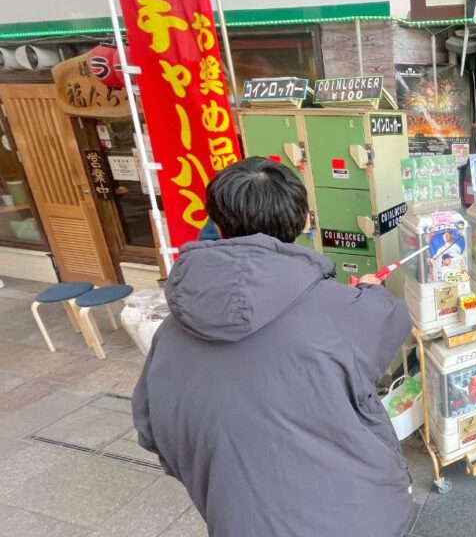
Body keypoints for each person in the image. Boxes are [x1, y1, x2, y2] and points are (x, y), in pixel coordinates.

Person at [132, 158, 414, 537]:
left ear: (216, 223)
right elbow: (392, 319)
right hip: (359, 516)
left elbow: (152, 430)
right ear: (301, 223)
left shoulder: (170, 331)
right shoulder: (342, 312)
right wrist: (365, 292)